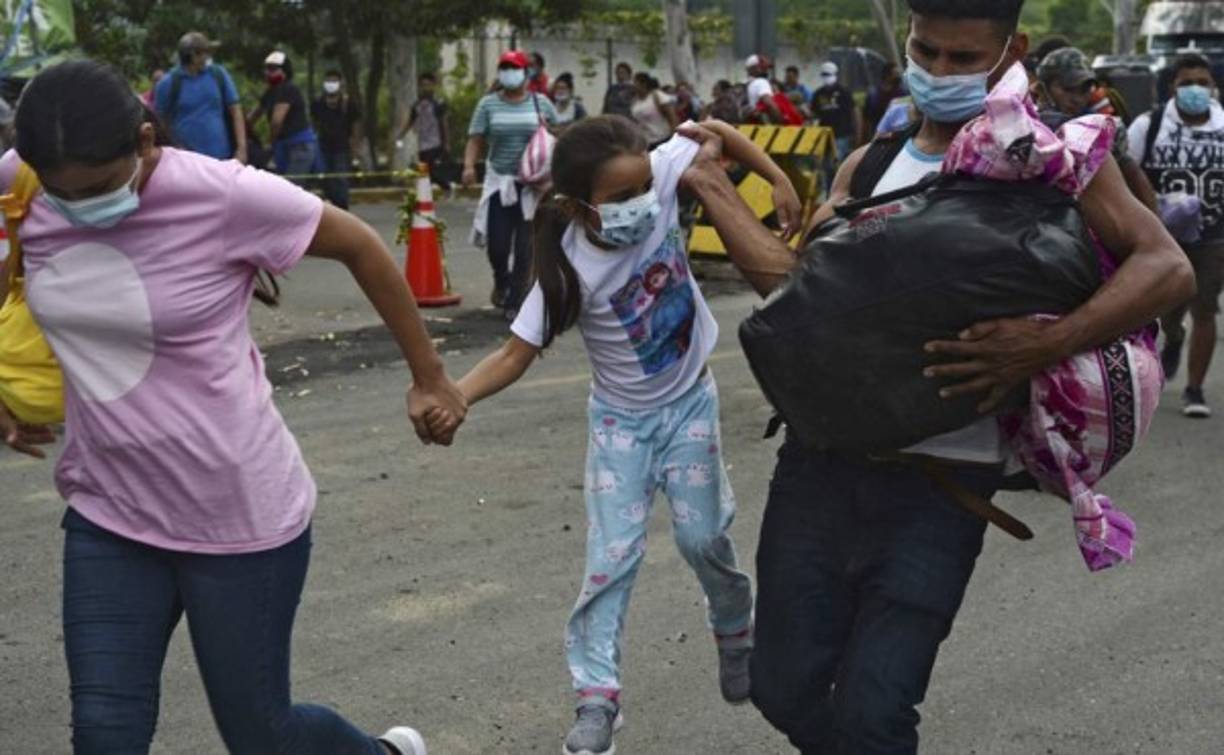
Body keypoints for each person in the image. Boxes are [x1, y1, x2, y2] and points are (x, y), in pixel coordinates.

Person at [675, 1, 1193, 751]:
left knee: (877, 713)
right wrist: (715, 188)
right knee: (781, 686)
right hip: (820, 467)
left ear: (1009, 50)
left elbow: (1167, 267)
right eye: (927, 52)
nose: (939, 73)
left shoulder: (1050, 159)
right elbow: (797, 293)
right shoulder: (874, 163)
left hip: (946, 488)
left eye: (962, 58)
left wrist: (1046, 344)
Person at [0, 59, 468, 755]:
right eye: (64, 197)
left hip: (238, 516)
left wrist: (430, 378)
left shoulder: (223, 195)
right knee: (104, 734)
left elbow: (361, 245)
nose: (81, 208)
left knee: (262, 734)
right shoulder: (21, 181)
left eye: (98, 189)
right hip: (109, 510)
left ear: (146, 140)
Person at [450, 114, 801, 755]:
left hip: (690, 406)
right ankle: (596, 698)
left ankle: (733, 626)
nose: (642, 203)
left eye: (644, 188)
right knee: (611, 560)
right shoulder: (566, 271)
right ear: (577, 207)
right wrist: (456, 397)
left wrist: (777, 177)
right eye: (620, 199)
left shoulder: (659, 173)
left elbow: (714, 129)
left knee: (703, 538)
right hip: (621, 427)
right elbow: (511, 355)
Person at [1129, 53, 1224, 418]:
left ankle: (1195, 389)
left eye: (1202, 82)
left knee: (1205, 308)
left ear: (1214, 87)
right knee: (1166, 310)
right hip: (1161, 237)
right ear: (1173, 87)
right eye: (1187, 83)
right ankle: (1173, 337)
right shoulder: (1149, 126)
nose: (1195, 90)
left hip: (1213, 237)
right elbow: (1126, 172)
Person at [462, 49, 558, 316]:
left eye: (514, 68)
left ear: (526, 73)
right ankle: (501, 281)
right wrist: (469, 166)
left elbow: (557, 136)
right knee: (498, 244)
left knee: (526, 245)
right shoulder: (488, 104)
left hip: (532, 186)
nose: (509, 73)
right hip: (499, 182)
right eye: (504, 68)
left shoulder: (541, 104)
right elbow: (476, 138)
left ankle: (516, 300)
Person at [1036, 47, 1157, 213]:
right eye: (1067, 89)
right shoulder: (1027, 126)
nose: (1077, 99)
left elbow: (1132, 176)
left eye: (1084, 90)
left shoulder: (1102, 131)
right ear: (1044, 89)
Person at [154, 32, 247, 163]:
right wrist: (174, 146)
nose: (208, 57)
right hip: (186, 161)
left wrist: (241, 148)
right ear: (193, 56)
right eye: (205, 53)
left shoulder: (217, 74)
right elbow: (160, 122)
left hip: (222, 158)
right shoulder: (168, 84)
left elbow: (235, 109)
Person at [249, 51, 319, 181]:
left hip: (298, 145)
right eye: (267, 69)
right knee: (284, 185)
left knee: (292, 187)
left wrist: (269, 143)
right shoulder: (270, 92)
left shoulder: (288, 89)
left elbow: (276, 121)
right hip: (284, 145)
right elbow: (254, 115)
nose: (268, 72)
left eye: (273, 69)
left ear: (284, 70)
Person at [311, 69, 361, 210]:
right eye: (328, 81)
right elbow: (314, 124)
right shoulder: (318, 103)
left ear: (340, 83)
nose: (331, 84)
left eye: (334, 81)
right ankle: (332, 206)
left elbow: (356, 126)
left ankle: (343, 207)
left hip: (342, 147)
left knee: (341, 179)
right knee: (325, 179)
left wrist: (355, 150)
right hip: (323, 146)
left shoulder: (348, 103)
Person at [402, 72, 451, 190]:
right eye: (423, 85)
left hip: (435, 143)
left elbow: (444, 123)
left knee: (429, 171)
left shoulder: (438, 103)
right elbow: (410, 121)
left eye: (428, 85)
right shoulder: (417, 105)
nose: (426, 88)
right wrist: (401, 135)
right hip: (422, 144)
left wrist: (447, 142)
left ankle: (447, 187)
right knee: (423, 171)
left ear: (434, 86)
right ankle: (426, 195)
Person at [811, 61, 860, 159]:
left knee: (837, 162)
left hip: (841, 135)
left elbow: (855, 112)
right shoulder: (818, 93)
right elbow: (814, 113)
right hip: (824, 135)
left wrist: (858, 134)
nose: (826, 77)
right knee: (824, 165)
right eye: (824, 74)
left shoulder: (844, 92)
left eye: (828, 74)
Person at [630, 72, 679, 147]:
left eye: (635, 83)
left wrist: (674, 138)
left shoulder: (657, 96)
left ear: (643, 84)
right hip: (646, 142)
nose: (633, 85)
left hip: (662, 139)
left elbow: (672, 117)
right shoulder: (635, 101)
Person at [862, 61, 907, 140]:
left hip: (897, 134)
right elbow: (867, 118)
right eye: (895, 73)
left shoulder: (902, 93)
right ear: (887, 75)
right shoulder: (874, 94)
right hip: (878, 133)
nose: (898, 76)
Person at [744, 53, 782, 123]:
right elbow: (770, 104)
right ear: (752, 69)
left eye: (766, 68)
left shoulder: (750, 84)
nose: (766, 70)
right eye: (763, 67)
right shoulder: (761, 82)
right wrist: (780, 124)